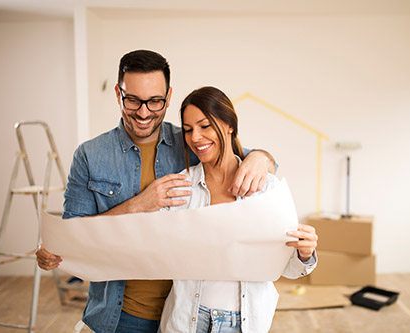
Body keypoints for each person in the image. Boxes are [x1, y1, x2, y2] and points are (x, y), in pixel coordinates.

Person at [35, 50, 277, 333]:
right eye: (133, 100)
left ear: (168, 96)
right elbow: (72, 235)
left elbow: (240, 156)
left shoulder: (190, 140)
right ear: (118, 93)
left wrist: (262, 157)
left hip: (183, 314)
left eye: (155, 101)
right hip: (121, 315)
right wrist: (137, 206)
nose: (144, 112)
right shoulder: (90, 155)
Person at [159, 86, 318, 333]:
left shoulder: (267, 188)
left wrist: (305, 254)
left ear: (229, 125)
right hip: (186, 320)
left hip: (243, 324)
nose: (195, 138)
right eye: (188, 130)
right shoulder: (181, 186)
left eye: (205, 126)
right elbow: (155, 251)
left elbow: (288, 268)